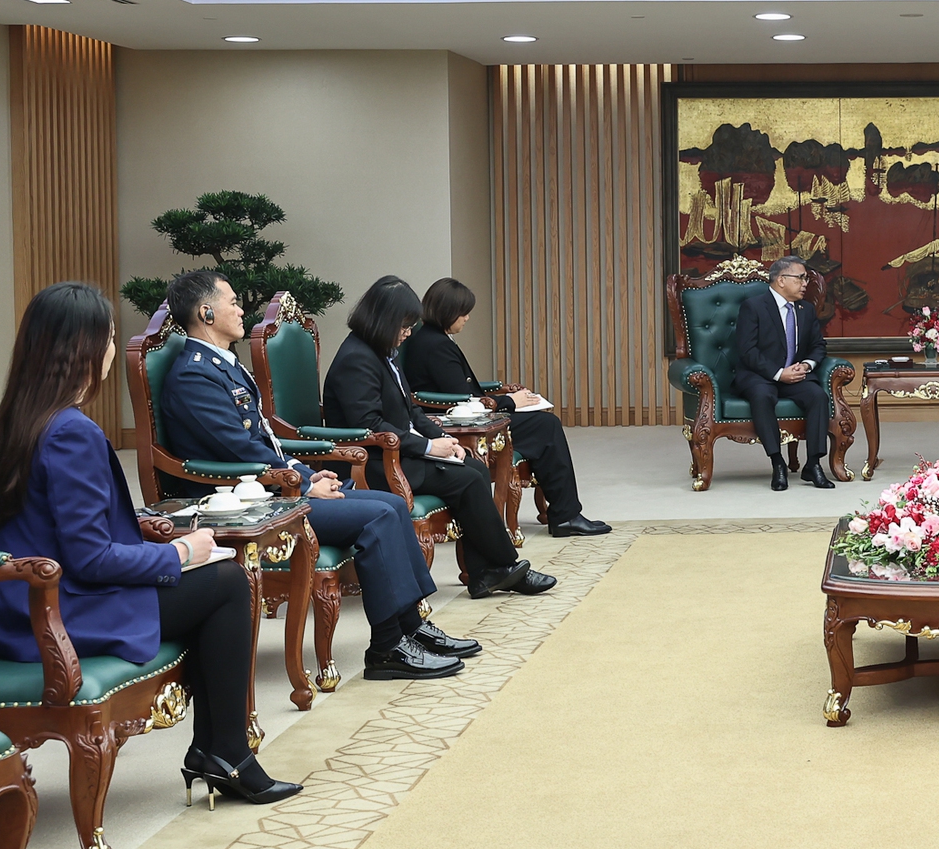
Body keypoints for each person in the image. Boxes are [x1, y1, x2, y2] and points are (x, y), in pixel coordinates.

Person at [0, 283, 302, 806]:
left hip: (12, 606)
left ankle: (220, 752)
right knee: (226, 581)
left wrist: (146, 534)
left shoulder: (19, 419)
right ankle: (226, 754)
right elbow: (90, 558)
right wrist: (180, 553)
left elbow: (56, 529)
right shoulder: (71, 431)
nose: (110, 350)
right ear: (83, 349)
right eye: (109, 338)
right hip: (56, 611)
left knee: (215, 582)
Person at [156, 268, 476, 683]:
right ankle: (387, 648)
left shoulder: (223, 366)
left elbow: (263, 441)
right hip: (243, 504)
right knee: (379, 515)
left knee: (393, 505)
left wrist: (308, 474)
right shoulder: (195, 375)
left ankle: (411, 627)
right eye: (232, 302)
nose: (240, 310)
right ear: (206, 313)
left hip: (271, 488)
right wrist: (304, 484)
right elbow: (238, 450)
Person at [323, 276, 556, 599]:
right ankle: (501, 567)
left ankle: (485, 573)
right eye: (404, 326)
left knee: (473, 467)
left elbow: (411, 410)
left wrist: (446, 439)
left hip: (395, 453)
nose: (408, 333)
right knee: (467, 478)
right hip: (370, 462)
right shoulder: (356, 358)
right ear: (384, 321)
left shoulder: (382, 351)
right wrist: (430, 447)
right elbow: (370, 426)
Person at [403, 278, 609, 538]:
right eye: (463, 312)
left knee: (543, 424)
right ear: (447, 311)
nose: (467, 318)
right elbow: (463, 399)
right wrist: (512, 402)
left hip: (469, 416)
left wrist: (509, 399)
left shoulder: (433, 338)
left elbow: (464, 390)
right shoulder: (434, 345)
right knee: (546, 425)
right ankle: (565, 516)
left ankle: (564, 513)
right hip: (459, 424)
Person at [733, 256, 837, 492]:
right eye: (801, 278)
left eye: (806, 279)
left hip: (795, 374)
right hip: (760, 375)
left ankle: (813, 464)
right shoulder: (754, 307)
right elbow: (747, 351)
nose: (805, 284)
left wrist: (807, 365)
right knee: (762, 396)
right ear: (781, 280)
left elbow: (818, 346)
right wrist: (779, 373)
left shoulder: (806, 309)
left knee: (817, 396)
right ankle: (777, 462)